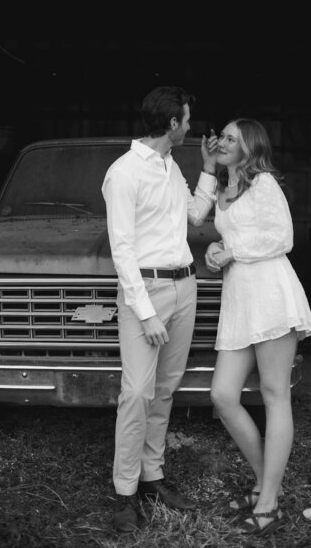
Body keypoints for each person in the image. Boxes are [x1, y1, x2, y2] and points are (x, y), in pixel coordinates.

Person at [101, 86, 218, 533]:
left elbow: (194, 217)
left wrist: (207, 170)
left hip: (184, 286)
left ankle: (152, 477)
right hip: (145, 293)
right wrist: (146, 312)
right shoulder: (124, 173)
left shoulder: (171, 166)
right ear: (172, 124)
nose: (190, 127)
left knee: (165, 390)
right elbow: (122, 250)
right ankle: (125, 494)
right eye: (187, 120)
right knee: (136, 393)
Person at [205, 118, 311, 537]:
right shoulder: (222, 188)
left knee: (274, 395)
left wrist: (232, 250)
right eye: (224, 137)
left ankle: (267, 502)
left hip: (271, 297)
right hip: (239, 303)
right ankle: (266, 483)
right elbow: (228, 236)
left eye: (233, 138)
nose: (224, 142)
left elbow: (282, 237)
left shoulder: (265, 184)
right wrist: (218, 250)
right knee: (223, 395)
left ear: (249, 148)